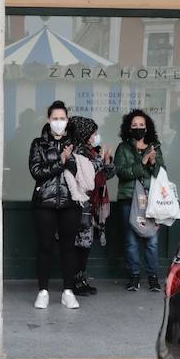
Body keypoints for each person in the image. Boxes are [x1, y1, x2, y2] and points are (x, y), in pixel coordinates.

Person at [29, 101, 82, 310]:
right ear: (48, 120)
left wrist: (68, 160)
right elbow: (36, 171)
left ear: (67, 120)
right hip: (45, 202)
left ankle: (68, 291)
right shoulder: (38, 144)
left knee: (69, 248)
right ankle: (43, 291)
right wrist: (60, 161)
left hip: (71, 202)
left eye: (62, 118)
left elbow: (84, 171)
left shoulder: (76, 144)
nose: (59, 122)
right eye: (55, 118)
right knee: (45, 247)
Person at [115, 108, 165, 292]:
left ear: (147, 127)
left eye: (141, 125)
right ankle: (134, 277)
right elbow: (122, 172)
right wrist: (142, 163)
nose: (138, 128)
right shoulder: (123, 148)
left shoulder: (155, 147)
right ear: (128, 128)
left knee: (152, 240)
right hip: (128, 199)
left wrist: (152, 163)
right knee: (131, 241)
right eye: (134, 125)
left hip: (150, 200)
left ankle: (153, 277)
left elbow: (161, 172)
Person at [69, 116, 113, 297]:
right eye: (93, 133)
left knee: (86, 245)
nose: (96, 136)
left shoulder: (93, 150)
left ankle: (81, 279)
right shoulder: (78, 151)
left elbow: (107, 174)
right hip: (81, 204)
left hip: (95, 203)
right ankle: (75, 281)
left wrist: (108, 162)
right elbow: (85, 174)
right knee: (79, 245)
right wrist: (101, 161)